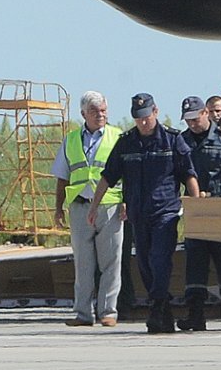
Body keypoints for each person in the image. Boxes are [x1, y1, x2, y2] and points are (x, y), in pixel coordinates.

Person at [88, 93, 200, 334]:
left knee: (160, 260)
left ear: (155, 112)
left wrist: (197, 207)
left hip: (165, 213)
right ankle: (163, 311)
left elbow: (188, 174)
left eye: (146, 117)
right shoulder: (126, 142)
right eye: (138, 118)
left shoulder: (172, 140)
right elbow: (108, 176)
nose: (143, 122)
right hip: (138, 214)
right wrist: (94, 206)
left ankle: (158, 306)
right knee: (145, 264)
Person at [52, 91, 124, 327]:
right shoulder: (72, 140)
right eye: (94, 111)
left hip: (109, 206)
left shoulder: (117, 137)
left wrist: (126, 201)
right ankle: (83, 313)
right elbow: (62, 177)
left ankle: (108, 312)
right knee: (83, 263)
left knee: (111, 261)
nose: (100, 115)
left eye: (103, 110)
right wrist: (58, 208)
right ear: (83, 114)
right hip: (81, 206)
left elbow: (128, 174)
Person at [176, 96, 221, 331]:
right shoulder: (181, 141)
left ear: (206, 113)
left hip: (220, 208)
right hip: (195, 210)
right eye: (188, 120)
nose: (193, 124)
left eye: (196, 118)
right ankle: (196, 314)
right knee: (195, 262)